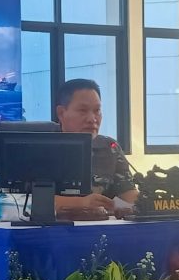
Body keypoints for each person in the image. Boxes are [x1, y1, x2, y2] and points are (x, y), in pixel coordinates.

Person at [55, 78, 139, 212]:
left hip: (102, 224)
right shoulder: (41, 147)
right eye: (82, 111)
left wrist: (150, 201)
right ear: (61, 113)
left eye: (97, 111)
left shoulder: (110, 148)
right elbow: (22, 200)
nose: (92, 119)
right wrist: (80, 203)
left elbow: (128, 194)